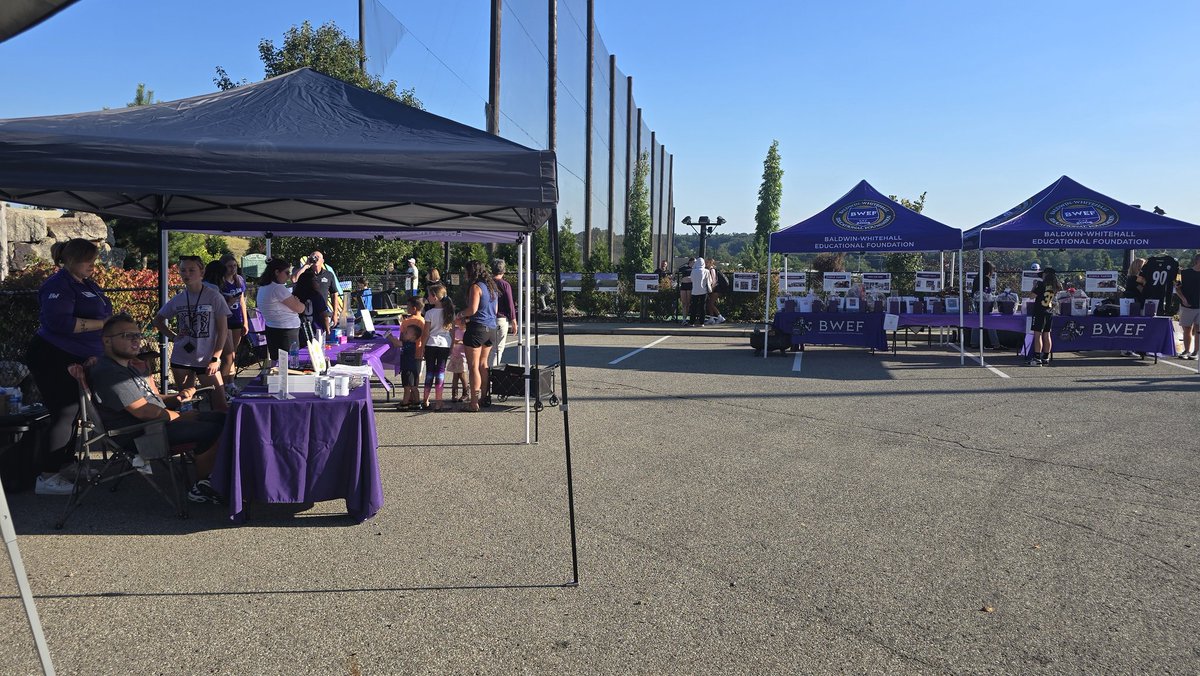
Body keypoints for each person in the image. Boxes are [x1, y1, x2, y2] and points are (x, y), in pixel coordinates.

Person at [89, 314, 225, 504]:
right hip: (139, 434)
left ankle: (217, 475)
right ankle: (203, 487)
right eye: (127, 336)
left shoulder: (127, 366)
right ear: (107, 341)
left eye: (138, 335)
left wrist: (176, 398)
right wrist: (180, 417)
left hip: (154, 425)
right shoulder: (109, 372)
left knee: (223, 418)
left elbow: (151, 399)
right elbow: (143, 411)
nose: (136, 340)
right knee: (213, 430)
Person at [26, 238, 113, 495]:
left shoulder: (87, 283)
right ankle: (47, 476)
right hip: (53, 355)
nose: (93, 266)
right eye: (88, 261)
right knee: (65, 412)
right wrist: (104, 325)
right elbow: (60, 323)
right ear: (72, 260)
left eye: (94, 261)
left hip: (79, 355)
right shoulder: (57, 284)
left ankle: (65, 464)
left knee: (76, 414)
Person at [154, 256, 231, 412]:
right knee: (186, 405)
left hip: (206, 359)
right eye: (183, 270)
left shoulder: (214, 297)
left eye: (191, 270)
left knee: (220, 404)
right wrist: (173, 337)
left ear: (201, 272)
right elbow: (158, 320)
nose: (186, 274)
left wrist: (216, 358)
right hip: (182, 358)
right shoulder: (178, 299)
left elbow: (223, 330)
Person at [456, 260, 498, 411]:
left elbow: (472, 310)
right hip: (491, 328)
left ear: (471, 272)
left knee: (473, 367)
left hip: (477, 329)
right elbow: (494, 310)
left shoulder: (476, 287)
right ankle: (484, 397)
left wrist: (460, 314)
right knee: (483, 364)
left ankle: (473, 402)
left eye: (466, 271)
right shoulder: (492, 287)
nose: (465, 274)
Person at [255, 258, 305, 361]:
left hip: (272, 329)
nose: (289, 276)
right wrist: (297, 302)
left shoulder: (263, 287)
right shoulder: (277, 288)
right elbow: (300, 308)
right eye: (286, 273)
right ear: (277, 272)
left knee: (277, 362)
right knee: (289, 364)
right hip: (286, 331)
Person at [215, 255, 248, 388]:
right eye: (229, 266)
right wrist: (229, 301)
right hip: (226, 319)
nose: (232, 269)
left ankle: (231, 382)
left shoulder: (239, 280)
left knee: (233, 352)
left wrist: (245, 322)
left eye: (234, 266)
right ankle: (223, 384)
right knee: (228, 354)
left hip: (237, 318)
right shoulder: (220, 282)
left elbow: (242, 301)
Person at [419, 293, 455, 411]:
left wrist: (422, 347)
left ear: (435, 297)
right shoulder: (450, 312)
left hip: (431, 343)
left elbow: (426, 333)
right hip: (444, 344)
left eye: (430, 295)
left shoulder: (429, 313)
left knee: (429, 372)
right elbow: (452, 332)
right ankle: (439, 401)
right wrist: (452, 346)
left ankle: (425, 399)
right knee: (440, 373)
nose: (428, 298)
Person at [292, 251, 342, 329]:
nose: (315, 258)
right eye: (313, 256)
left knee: (322, 333)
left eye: (317, 257)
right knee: (308, 333)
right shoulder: (304, 274)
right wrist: (306, 265)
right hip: (307, 313)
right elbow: (294, 279)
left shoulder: (328, 275)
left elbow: (334, 294)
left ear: (322, 260)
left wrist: (335, 314)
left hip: (322, 312)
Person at [1027, 267, 1059, 367]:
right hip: (1049, 311)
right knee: (1047, 334)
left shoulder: (1041, 284)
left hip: (1039, 311)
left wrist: (1034, 287)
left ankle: (1037, 358)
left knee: (1038, 334)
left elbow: (1031, 296)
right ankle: (1045, 357)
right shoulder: (1055, 286)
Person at [490, 258, 519, 367]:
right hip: (500, 318)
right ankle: (492, 372)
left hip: (487, 318)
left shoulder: (486, 283)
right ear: (503, 270)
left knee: (486, 349)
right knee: (497, 349)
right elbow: (510, 303)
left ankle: (483, 372)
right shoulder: (505, 285)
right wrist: (513, 320)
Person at [385, 324, 421, 409]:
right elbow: (398, 343)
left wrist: (389, 336)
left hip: (407, 368)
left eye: (406, 333)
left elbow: (397, 344)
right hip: (412, 368)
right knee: (414, 387)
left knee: (407, 387)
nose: (404, 333)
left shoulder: (409, 344)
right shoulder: (410, 343)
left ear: (413, 337)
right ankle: (417, 402)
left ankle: (405, 403)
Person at [292, 269, 330, 343]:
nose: (318, 283)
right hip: (316, 331)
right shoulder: (317, 296)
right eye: (316, 280)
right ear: (310, 283)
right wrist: (328, 330)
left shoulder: (295, 296)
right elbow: (324, 315)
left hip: (299, 332)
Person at [970, 260, 1001, 350]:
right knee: (990, 323)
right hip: (985, 304)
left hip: (976, 302)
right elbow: (987, 292)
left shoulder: (977, 277)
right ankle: (995, 343)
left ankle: (974, 342)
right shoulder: (986, 278)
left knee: (976, 323)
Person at [1174, 253, 1200, 360]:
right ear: (1197, 261)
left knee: (1198, 329)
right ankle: (1186, 350)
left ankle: (1196, 352)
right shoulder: (1183, 273)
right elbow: (1177, 288)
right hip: (1186, 306)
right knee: (1187, 329)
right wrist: (1183, 299)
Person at [446, 317, 469, 403]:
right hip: (455, 355)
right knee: (455, 375)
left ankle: (465, 393)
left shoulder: (466, 332)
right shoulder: (456, 330)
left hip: (462, 356)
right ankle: (454, 394)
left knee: (462, 375)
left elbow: (467, 342)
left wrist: (459, 341)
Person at [688, 257, 712, 327]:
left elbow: (692, 279)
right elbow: (709, 281)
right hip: (703, 291)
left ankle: (692, 322)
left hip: (694, 291)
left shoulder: (693, 271)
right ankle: (702, 322)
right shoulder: (706, 271)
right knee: (702, 307)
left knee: (693, 307)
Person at [705, 259, 729, 324]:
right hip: (713, 289)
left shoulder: (712, 270)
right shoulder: (709, 270)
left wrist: (711, 289)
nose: (706, 263)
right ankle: (711, 318)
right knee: (709, 304)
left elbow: (714, 281)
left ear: (711, 263)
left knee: (711, 303)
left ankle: (720, 317)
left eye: (707, 262)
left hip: (715, 289)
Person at [677, 257, 695, 325]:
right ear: (690, 261)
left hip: (690, 285)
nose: (694, 263)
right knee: (684, 303)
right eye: (694, 262)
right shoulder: (684, 267)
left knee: (688, 303)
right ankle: (684, 319)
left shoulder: (695, 269)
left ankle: (686, 317)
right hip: (683, 285)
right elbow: (677, 270)